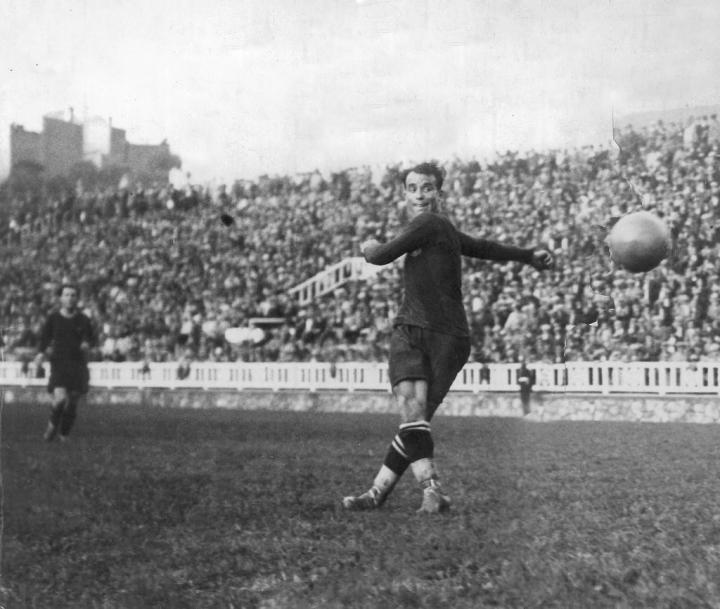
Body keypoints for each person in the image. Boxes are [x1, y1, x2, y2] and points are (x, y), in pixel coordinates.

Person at [342, 162, 553, 513]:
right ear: (405, 194)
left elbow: (380, 256)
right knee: (415, 420)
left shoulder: (428, 223)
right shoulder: (445, 230)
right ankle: (379, 493)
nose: (419, 195)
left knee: (414, 418)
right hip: (452, 339)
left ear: (439, 193)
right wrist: (527, 256)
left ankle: (431, 491)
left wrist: (368, 246)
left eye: (427, 187)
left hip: (421, 331)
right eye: (412, 188)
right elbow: (484, 247)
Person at [36, 283, 96, 442]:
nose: (70, 298)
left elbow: (91, 338)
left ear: (77, 298)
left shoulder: (83, 319)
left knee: (73, 401)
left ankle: (64, 434)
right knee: (61, 399)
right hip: (59, 362)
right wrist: (41, 353)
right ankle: (52, 425)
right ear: (61, 298)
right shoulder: (53, 318)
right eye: (66, 295)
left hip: (78, 364)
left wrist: (87, 344)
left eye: (73, 295)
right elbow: (45, 338)